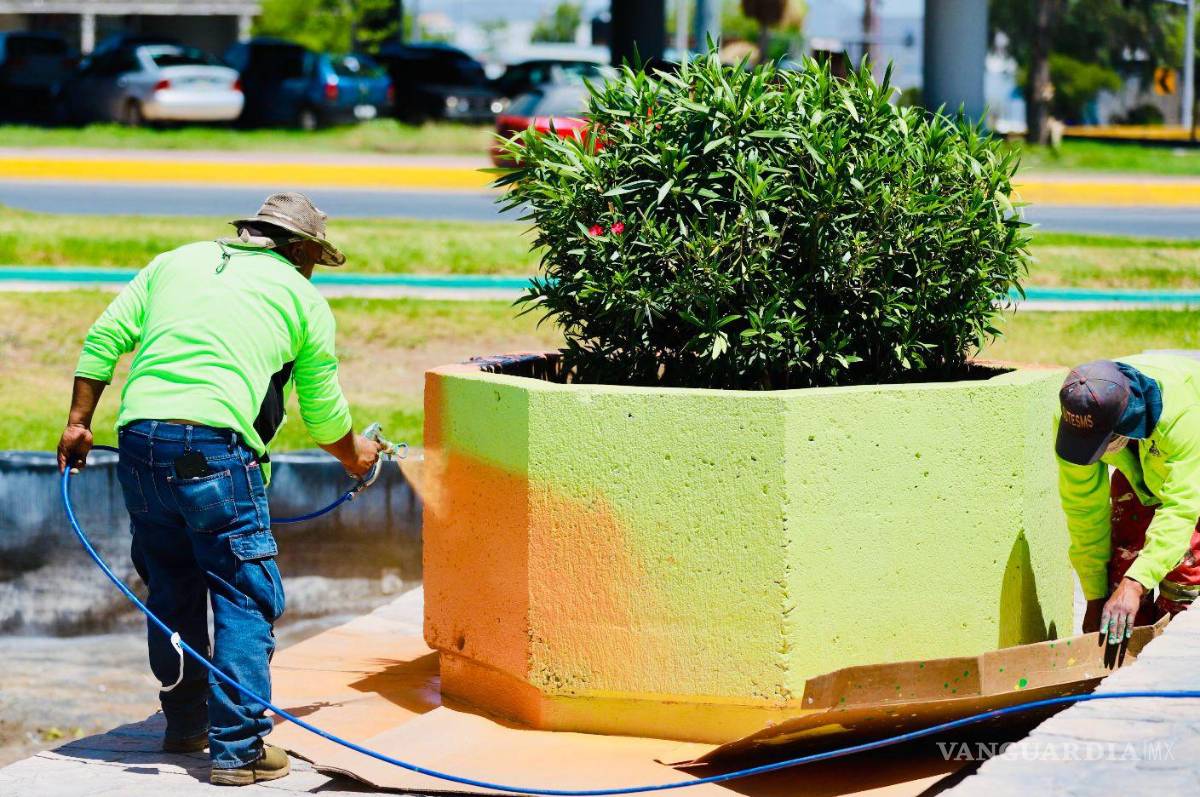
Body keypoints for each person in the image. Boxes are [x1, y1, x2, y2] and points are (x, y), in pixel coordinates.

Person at [56, 192, 383, 786]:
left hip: (139, 442)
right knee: (243, 594)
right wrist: (358, 459)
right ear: (303, 249)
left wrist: (79, 424)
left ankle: (186, 724)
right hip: (215, 448)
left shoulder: (174, 262)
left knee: (171, 581)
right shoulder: (301, 298)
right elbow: (325, 417)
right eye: (313, 258)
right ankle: (239, 750)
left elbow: (103, 340)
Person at [1055, 354, 1200, 649]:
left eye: (1100, 445)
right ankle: (1131, 646)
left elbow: (1181, 507)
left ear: (1128, 422)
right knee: (1122, 564)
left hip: (1192, 467)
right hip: (1143, 470)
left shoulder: (1182, 413)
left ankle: (1176, 646)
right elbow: (1085, 511)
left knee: (1186, 567)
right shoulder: (1076, 419)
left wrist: (1136, 584)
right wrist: (1096, 597)